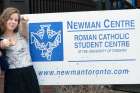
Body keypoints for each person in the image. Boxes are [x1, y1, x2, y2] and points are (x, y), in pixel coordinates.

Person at [0, 7, 41, 93]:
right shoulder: (1, 38)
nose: (13, 22)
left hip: (29, 73)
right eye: (10, 19)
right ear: (4, 19)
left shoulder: (22, 34)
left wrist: (23, 22)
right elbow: (2, 45)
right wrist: (4, 43)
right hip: (13, 76)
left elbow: (24, 27)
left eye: (16, 20)